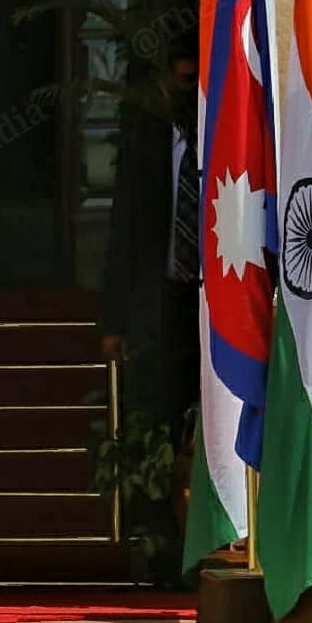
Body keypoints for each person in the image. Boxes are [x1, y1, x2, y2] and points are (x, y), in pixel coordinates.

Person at [100, 46, 201, 559]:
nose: (179, 94)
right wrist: (115, 320)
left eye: (190, 84)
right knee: (157, 420)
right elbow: (125, 231)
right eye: (175, 83)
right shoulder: (148, 139)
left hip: (214, 297)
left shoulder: (225, 136)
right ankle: (161, 543)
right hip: (158, 300)